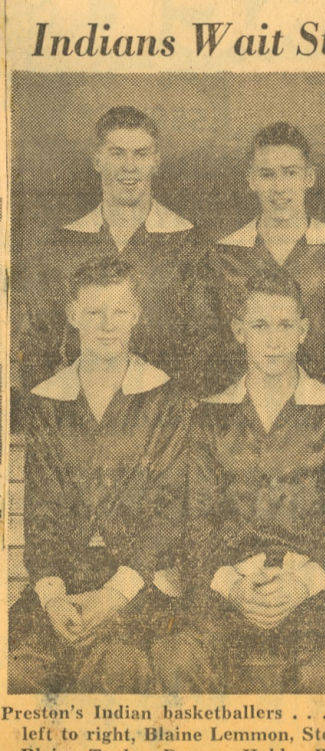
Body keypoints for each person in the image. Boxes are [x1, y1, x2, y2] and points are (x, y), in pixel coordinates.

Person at [153, 267, 325, 693]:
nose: (273, 340)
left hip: (310, 595)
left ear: (304, 331)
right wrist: (234, 586)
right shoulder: (209, 417)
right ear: (239, 331)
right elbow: (196, 522)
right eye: (259, 325)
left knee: (324, 672)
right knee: (178, 657)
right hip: (227, 591)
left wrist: (302, 582)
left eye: (285, 325)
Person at [8, 257, 188, 693]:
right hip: (63, 579)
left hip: (139, 580)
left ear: (137, 314)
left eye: (119, 311)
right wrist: (51, 596)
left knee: (117, 667)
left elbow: (169, 511)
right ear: (72, 315)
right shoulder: (47, 401)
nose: (107, 325)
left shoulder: (165, 399)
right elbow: (42, 511)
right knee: (17, 671)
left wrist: (113, 595)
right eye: (93, 312)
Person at [16, 106, 201, 395]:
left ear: (156, 161)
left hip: (165, 414)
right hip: (81, 412)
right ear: (98, 160)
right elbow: (38, 345)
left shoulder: (190, 242)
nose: (129, 166)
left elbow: (208, 344)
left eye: (141, 154)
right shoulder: (63, 246)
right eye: (117, 153)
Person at [184, 122, 325, 395]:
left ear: (309, 177)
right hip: (243, 413)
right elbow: (206, 351)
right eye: (267, 174)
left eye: (290, 173)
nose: (279, 187)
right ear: (251, 180)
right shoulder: (221, 256)